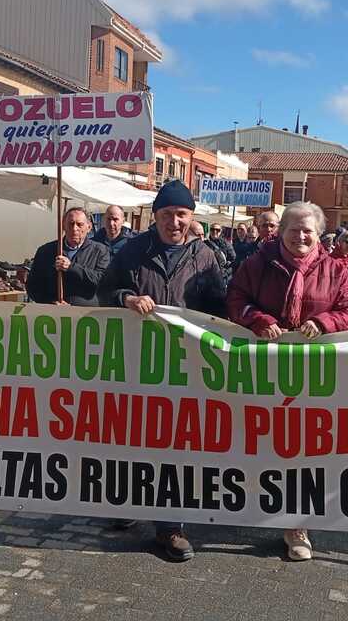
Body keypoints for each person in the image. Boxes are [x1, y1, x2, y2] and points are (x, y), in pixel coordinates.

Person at [227, 201, 348, 562]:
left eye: (308, 231)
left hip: (312, 376)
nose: (301, 236)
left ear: (319, 235)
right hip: (262, 372)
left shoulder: (335, 270)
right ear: (281, 231)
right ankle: (251, 502)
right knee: (259, 439)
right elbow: (235, 299)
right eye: (294, 229)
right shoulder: (257, 263)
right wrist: (258, 319)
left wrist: (323, 323)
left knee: (303, 448)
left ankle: (297, 525)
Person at [98, 180, 226, 561]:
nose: (175, 221)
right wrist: (127, 298)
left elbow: (219, 309)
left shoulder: (205, 256)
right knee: (134, 437)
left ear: (191, 216)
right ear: (155, 216)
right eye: (167, 214)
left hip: (186, 367)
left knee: (176, 446)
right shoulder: (133, 250)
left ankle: (170, 527)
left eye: (181, 214)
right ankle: (127, 503)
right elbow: (106, 291)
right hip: (138, 364)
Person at [27, 207, 109, 306]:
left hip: (86, 312)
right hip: (54, 312)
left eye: (79, 224)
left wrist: (72, 267)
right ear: (63, 226)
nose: (74, 228)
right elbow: (33, 286)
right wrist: (50, 302)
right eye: (71, 224)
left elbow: (102, 281)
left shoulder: (100, 251)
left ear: (89, 227)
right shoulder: (46, 251)